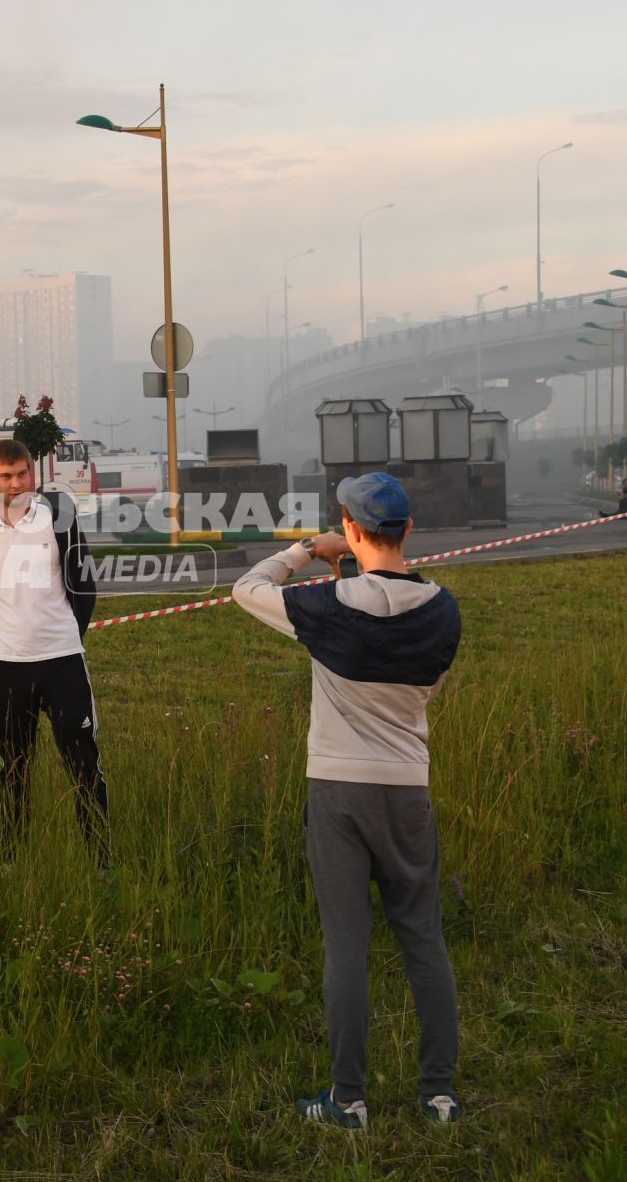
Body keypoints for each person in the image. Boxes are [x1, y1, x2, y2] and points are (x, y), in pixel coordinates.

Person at [231, 471, 464, 1130]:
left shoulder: (325, 605)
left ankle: (349, 1099)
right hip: (407, 788)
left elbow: (246, 589)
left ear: (351, 529)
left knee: (347, 946)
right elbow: (426, 689)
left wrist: (309, 548)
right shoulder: (444, 610)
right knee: (424, 938)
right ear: (408, 530)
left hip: (337, 790)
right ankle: (440, 1094)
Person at [0, 439, 108, 862]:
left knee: (84, 767)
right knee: (14, 769)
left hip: (63, 664)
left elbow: (85, 587)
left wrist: (65, 636)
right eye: (6, 476)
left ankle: (101, 860)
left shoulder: (59, 520)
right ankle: (13, 857)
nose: (17, 482)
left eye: (23, 473)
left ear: (32, 473)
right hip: (8, 669)